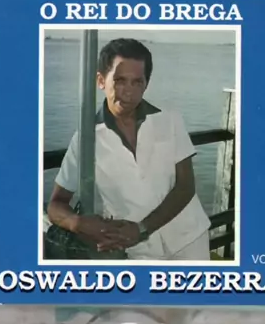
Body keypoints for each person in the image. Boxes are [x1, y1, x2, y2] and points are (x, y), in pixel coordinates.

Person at [47, 37, 211, 260]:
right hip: (138, 252)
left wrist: (142, 229)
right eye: (120, 81)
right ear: (101, 81)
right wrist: (78, 223)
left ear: (146, 84)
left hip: (190, 240)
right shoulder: (86, 139)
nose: (128, 92)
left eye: (137, 82)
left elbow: (186, 186)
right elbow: (56, 204)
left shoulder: (170, 119)